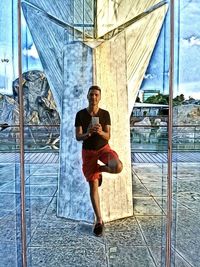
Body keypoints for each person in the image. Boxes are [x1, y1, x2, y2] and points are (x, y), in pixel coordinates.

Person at [75, 85, 123, 237]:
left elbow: (108, 136)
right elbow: (78, 137)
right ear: (87, 96)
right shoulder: (80, 114)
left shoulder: (105, 114)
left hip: (103, 149)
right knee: (93, 187)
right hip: (88, 153)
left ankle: (99, 170)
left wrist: (101, 131)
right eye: (91, 94)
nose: (94, 97)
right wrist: (88, 132)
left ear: (100, 97)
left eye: (96, 95)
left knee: (118, 166)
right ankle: (99, 220)